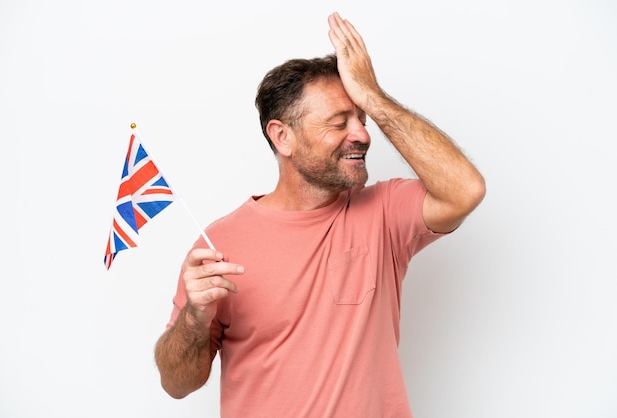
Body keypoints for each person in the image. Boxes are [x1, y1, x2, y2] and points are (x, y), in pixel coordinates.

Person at [154, 11, 486, 418]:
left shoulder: (384, 212)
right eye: (338, 122)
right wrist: (194, 317)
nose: (362, 134)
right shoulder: (220, 244)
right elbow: (177, 384)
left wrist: (374, 97)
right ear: (283, 137)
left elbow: (465, 189)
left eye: (361, 118)